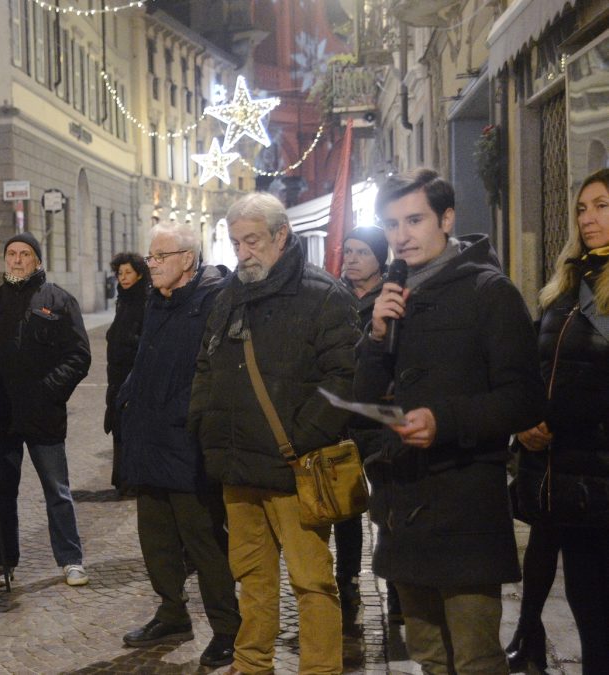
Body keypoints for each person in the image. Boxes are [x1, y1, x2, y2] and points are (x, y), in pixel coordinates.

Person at [356, 169, 544, 674]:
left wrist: (444, 420)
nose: (401, 236)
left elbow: (525, 399)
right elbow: (361, 395)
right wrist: (374, 337)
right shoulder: (391, 296)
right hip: (402, 500)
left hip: (464, 503)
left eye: (414, 220)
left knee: (476, 657)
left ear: (447, 217)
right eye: (391, 223)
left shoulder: (490, 293)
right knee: (429, 655)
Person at [188, 192, 359, 675]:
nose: (243, 252)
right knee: (251, 578)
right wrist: (205, 427)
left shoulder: (324, 295)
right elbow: (206, 365)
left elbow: (343, 378)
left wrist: (300, 439)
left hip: (294, 468)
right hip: (238, 467)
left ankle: (320, 669)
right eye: (236, 241)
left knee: (312, 582)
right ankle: (251, 664)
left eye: (253, 241)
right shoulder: (229, 295)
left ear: (281, 236)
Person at [116, 224, 239, 668]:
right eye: (150, 257)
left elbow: (213, 374)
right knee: (156, 541)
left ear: (187, 259)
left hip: (186, 444)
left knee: (204, 542)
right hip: (149, 440)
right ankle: (172, 613)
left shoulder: (213, 301)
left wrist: (187, 416)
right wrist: (125, 399)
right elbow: (146, 360)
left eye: (160, 256)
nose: (151, 265)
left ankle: (228, 628)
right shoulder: (156, 300)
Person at [509, 168, 609, 673]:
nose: (589, 218)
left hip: (599, 472)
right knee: (590, 615)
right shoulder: (567, 283)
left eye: (603, 206)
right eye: (582, 208)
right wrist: (524, 424)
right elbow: (534, 368)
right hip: (568, 481)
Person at [0, 232, 91, 589]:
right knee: (4, 494)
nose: (16, 260)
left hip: (43, 415)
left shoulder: (59, 300)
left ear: (37, 261)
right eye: (11, 253)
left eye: (24, 254)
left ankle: (71, 559)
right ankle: (5, 563)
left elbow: (79, 356)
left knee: (57, 490)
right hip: (1, 416)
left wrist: (49, 391)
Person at [333, 226, 394, 627]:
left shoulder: (392, 299)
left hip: (380, 418)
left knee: (389, 505)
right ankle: (347, 582)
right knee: (344, 507)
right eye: (348, 251)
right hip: (340, 418)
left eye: (361, 252)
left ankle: (401, 584)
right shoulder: (332, 299)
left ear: (379, 258)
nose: (352, 258)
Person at [104, 251, 148, 492]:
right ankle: (123, 478)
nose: (123, 277)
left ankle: (133, 479)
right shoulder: (123, 301)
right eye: (120, 273)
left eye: (128, 272)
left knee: (132, 428)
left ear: (139, 273)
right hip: (116, 378)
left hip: (133, 378)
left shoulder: (146, 300)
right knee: (119, 428)